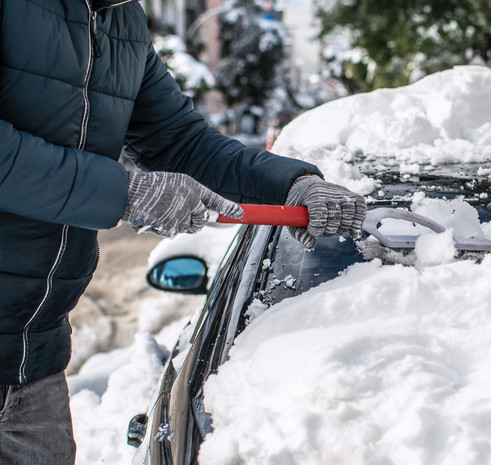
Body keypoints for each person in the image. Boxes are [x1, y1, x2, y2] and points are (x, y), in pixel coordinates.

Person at [0, 1, 366, 463]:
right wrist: (125, 192)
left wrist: (294, 184)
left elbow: (181, 142)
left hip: (34, 361)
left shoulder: (122, 23)